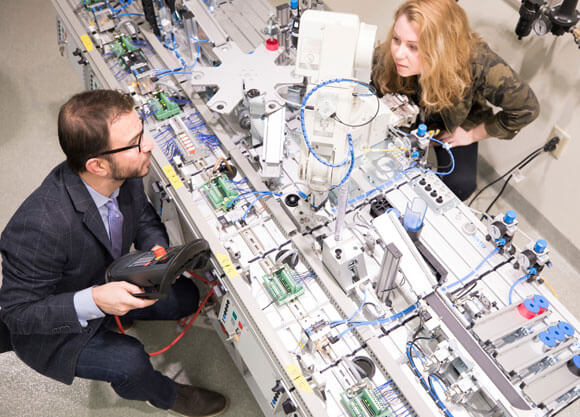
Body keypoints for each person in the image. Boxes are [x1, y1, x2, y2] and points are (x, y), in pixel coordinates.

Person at [0, 90, 227, 417]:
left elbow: (144, 218)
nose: (147, 145)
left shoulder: (124, 174)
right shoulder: (38, 227)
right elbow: (18, 314)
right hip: (53, 328)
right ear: (97, 165)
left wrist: (155, 251)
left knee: (186, 297)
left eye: (142, 132)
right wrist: (94, 301)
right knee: (130, 361)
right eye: (136, 142)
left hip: (106, 278)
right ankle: (164, 395)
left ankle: (117, 315)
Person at [371, 0, 540, 201]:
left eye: (413, 47)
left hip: (455, 123)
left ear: (441, 48)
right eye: (397, 39)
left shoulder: (478, 63)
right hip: (403, 113)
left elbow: (526, 108)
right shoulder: (386, 56)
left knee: (461, 185)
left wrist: (472, 135)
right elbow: (371, 94)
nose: (399, 54)